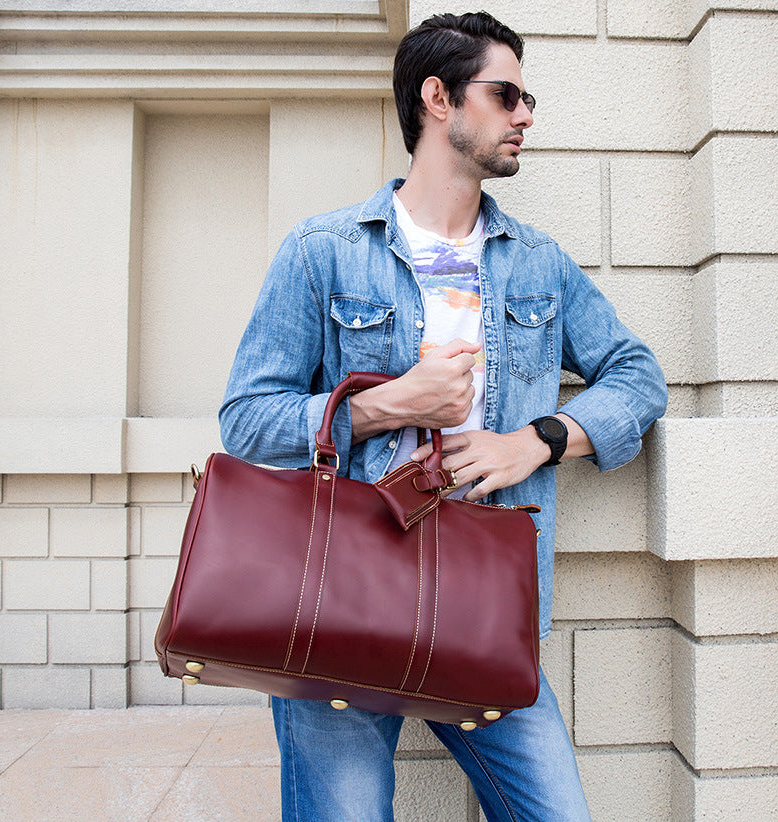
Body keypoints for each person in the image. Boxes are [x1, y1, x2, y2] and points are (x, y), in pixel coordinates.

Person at [219, 10, 668, 822]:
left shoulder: (538, 263)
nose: (526, 114)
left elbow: (637, 375)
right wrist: (386, 404)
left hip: (484, 610)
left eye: (527, 99)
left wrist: (539, 440)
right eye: (506, 94)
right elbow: (247, 419)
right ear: (438, 98)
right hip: (340, 605)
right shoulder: (324, 250)